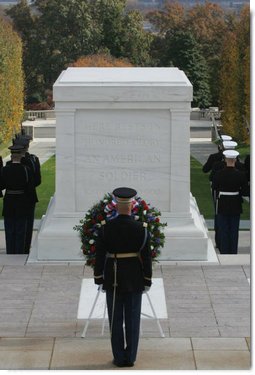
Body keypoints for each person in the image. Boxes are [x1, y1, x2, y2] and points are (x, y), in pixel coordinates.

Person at [94, 187, 152, 368]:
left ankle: (119, 358)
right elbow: (146, 257)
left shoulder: (105, 229)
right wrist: (147, 279)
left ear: (116, 206)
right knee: (133, 320)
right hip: (134, 277)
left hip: (113, 276)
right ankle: (131, 357)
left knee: (116, 320)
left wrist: (99, 277)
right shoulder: (141, 228)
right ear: (132, 206)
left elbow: (100, 255)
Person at [0, 144, 36, 254]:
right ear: (21, 156)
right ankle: (19, 252)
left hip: (9, 201)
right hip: (22, 201)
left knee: (10, 228)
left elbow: (1, 185)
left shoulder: (5, 170)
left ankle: (10, 251)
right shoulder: (26, 170)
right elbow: (30, 188)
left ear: (11, 157)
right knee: (21, 228)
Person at [212, 150, 249, 254]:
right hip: (235, 203)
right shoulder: (241, 175)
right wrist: (238, 192)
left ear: (225, 160)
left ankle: (224, 251)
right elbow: (246, 192)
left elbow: (214, 187)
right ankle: (233, 251)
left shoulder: (218, 174)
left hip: (222, 203)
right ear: (235, 160)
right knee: (234, 229)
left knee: (223, 229)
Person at [13, 134, 41, 253]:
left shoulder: (13, 162)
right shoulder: (33, 159)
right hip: (29, 196)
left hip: (15, 197)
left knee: (14, 225)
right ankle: (24, 247)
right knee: (26, 225)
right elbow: (37, 180)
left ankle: (14, 248)